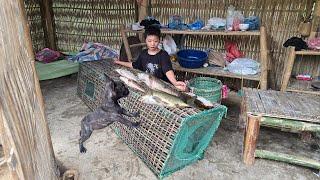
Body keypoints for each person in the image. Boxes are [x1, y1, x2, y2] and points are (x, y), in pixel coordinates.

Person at [114, 26, 187, 91]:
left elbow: (167, 70)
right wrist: (119, 62)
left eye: (155, 41)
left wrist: (174, 82)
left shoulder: (163, 55)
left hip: (161, 87)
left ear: (159, 40)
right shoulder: (143, 54)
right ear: (145, 40)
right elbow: (134, 65)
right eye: (149, 41)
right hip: (148, 86)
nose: (152, 44)